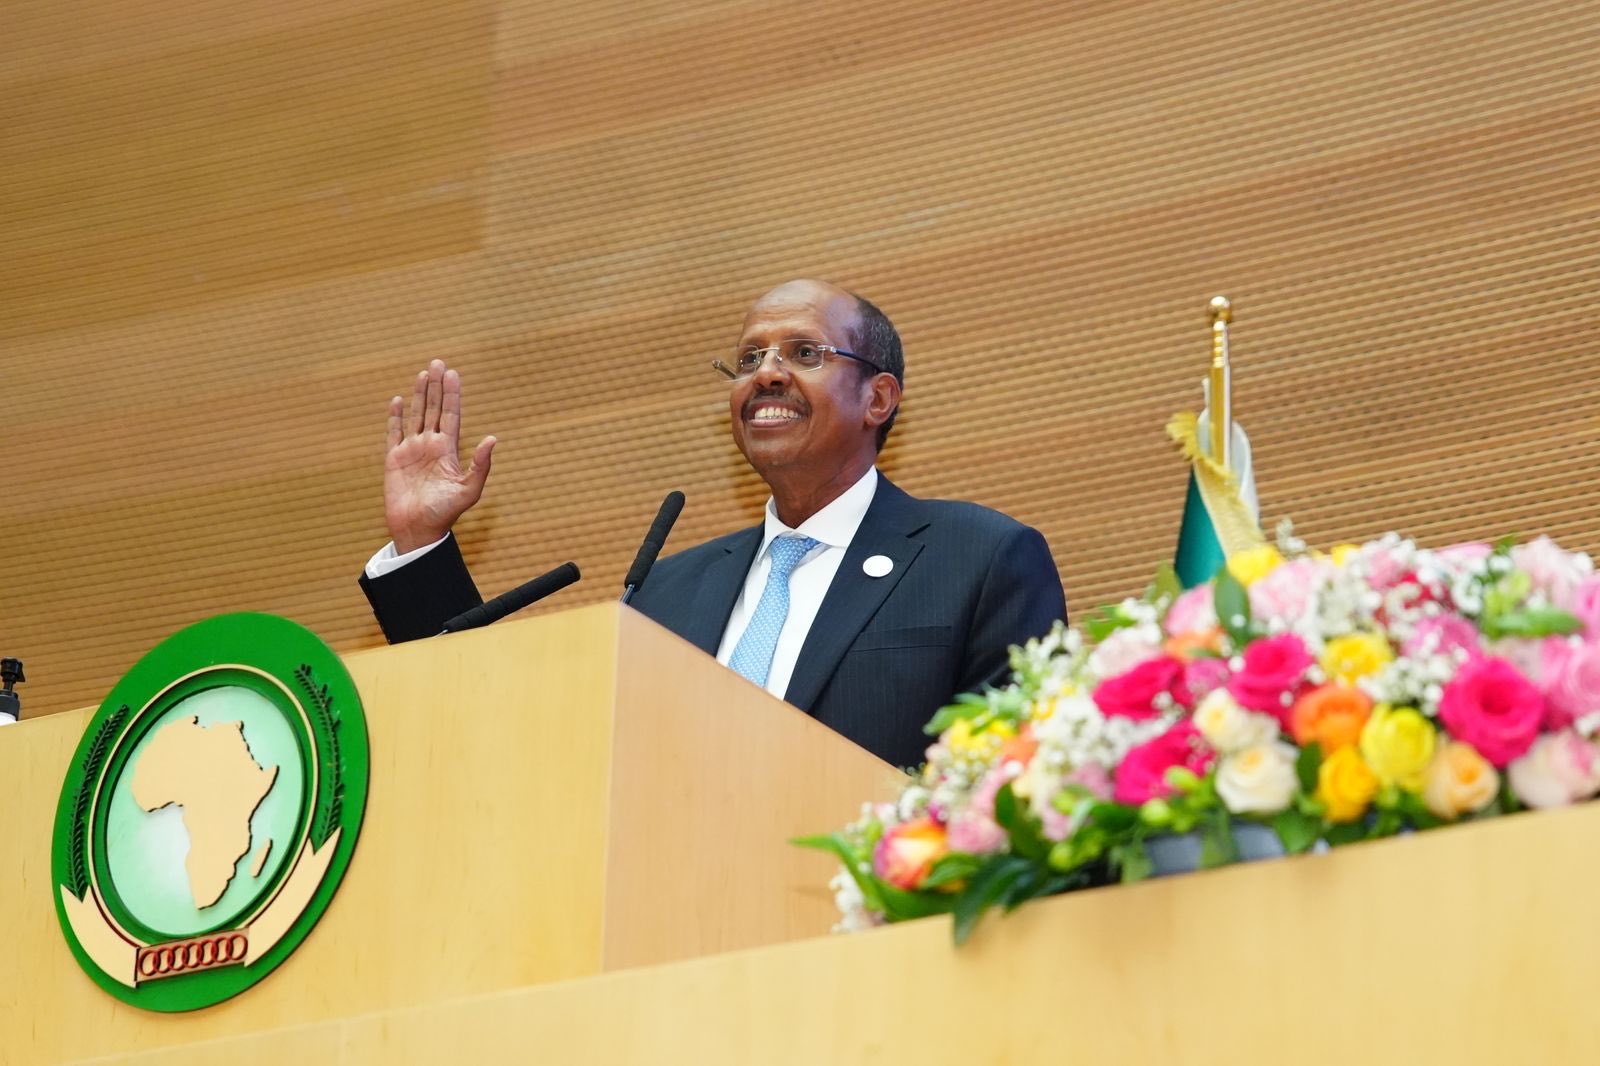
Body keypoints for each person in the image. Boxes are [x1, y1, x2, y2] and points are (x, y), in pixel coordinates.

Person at [359, 279, 1066, 768]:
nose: (766, 373)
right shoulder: (665, 593)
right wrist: (423, 548)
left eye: (804, 352)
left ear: (878, 398)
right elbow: (518, 744)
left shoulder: (978, 560)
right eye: (749, 357)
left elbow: (1008, 786)